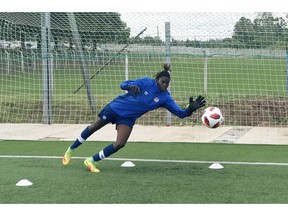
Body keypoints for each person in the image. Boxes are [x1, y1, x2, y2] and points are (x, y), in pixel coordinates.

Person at [62, 64, 206, 173]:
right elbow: (122, 84)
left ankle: (91, 160)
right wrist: (131, 87)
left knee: (120, 143)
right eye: (162, 82)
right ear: (156, 79)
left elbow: (181, 114)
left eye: (167, 84)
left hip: (128, 118)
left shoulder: (165, 98)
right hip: (115, 108)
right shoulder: (145, 82)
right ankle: (70, 150)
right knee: (94, 127)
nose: (164, 85)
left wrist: (190, 109)